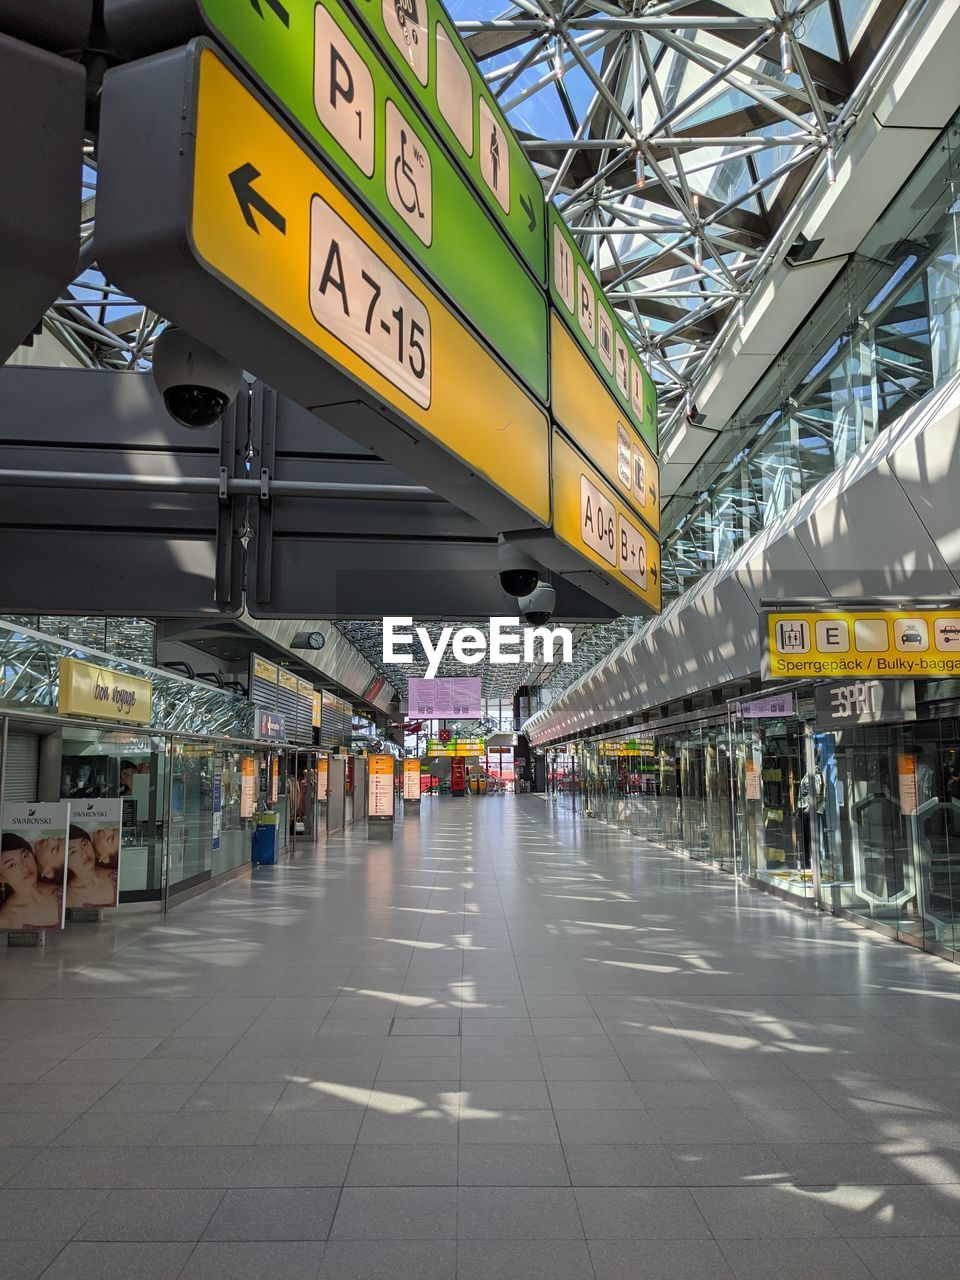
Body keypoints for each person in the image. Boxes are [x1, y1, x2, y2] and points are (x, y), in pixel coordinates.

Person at [0, 833, 63, 928]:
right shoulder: (6, 919)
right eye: (12, 865)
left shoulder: (61, 891)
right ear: (1, 877)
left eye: (25, 855)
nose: (24, 866)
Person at [65, 825, 118, 909]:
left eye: (84, 844)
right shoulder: (69, 895)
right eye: (73, 852)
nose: (84, 852)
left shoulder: (114, 875)